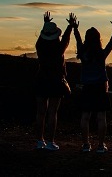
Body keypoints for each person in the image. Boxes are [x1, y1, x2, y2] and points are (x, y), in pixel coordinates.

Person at [73, 15, 112, 153]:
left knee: (85, 116)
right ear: (98, 39)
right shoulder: (101, 54)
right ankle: (100, 145)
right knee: (101, 117)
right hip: (100, 87)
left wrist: (75, 28)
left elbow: (78, 40)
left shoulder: (83, 53)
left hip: (87, 87)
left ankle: (86, 144)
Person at [34, 11, 77, 150]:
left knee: (41, 112)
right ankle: (50, 141)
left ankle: (39, 140)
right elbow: (66, 39)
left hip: (42, 79)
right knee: (53, 112)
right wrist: (70, 26)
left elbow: (44, 38)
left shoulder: (39, 46)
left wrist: (45, 23)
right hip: (56, 80)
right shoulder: (59, 48)